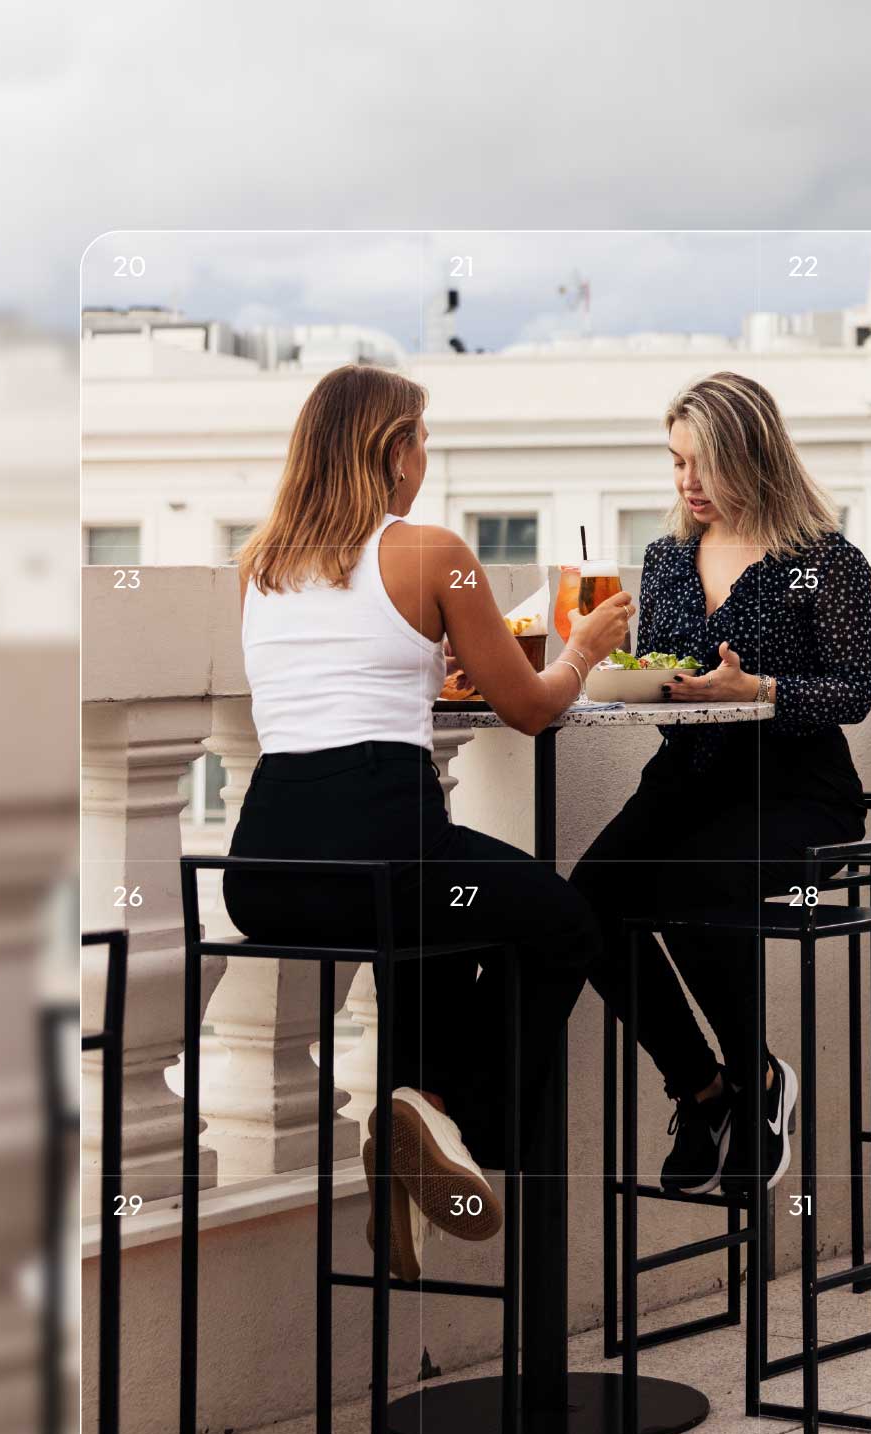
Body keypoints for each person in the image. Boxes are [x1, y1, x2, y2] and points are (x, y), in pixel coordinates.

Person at [222, 364, 633, 1280]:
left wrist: (422, 662)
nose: (425, 459)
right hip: (384, 851)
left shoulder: (261, 565)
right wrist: (583, 649)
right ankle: (445, 1122)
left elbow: (341, 673)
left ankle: (414, 1141)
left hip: (268, 873)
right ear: (393, 450)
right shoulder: (432, 552)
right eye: (421, 440)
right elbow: (531, 709)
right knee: (565, 923)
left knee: (438, 937)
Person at [570, 372, 871, 1201]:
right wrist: (635, 677)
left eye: (704, 464)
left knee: (693, 887)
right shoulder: (666, 559)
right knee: (587, 903)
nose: (688, 482)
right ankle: (703, 1090)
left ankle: (760, 1080)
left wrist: (762, 691)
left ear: (753, 456)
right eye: (677, 463)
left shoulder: (822, 562)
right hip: (686, 781)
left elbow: (855, 690)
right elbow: (659, 668)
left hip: (797, 791)